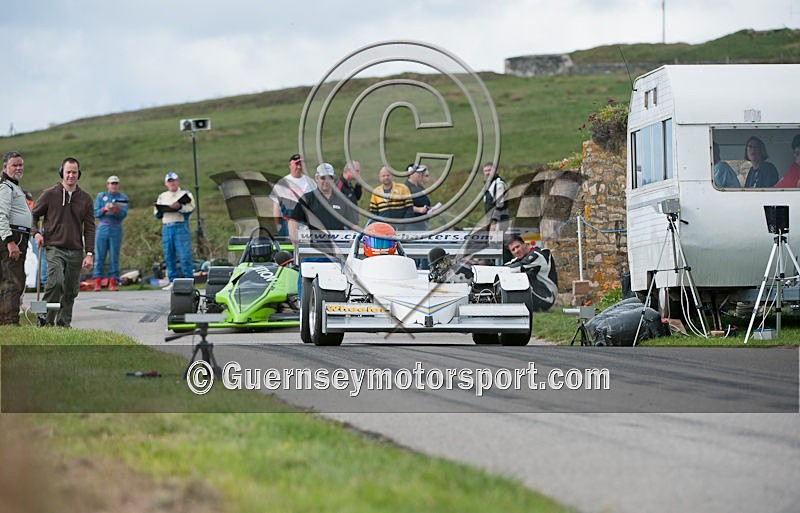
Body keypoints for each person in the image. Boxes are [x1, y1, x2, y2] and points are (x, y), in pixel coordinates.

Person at [32, 157, 95, 327]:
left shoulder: (86, 199)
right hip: (54, 248)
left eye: (74, 172)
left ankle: (63, 323)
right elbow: (33, 215)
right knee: (55, 283)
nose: (71, 175)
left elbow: (90, 228)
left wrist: (89, 254)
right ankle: (44, 320)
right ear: (62, 173)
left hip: (75, 250)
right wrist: (36, 233)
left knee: (71, 290)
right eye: (68, 172)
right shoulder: (49, 194)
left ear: (78, 174)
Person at [0, 151, 33, 325]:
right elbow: (1, 215)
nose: (19, 168)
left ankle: (5, 319)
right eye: (15, 165)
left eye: (21, 164)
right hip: (13, 238)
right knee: (13, 280)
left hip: (18, 236)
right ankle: (10, 321)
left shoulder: (14, 186)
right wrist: (10, 242)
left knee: (13, 278)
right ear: (5, 167)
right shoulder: (5, 186)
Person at [154, 171, 195, 289]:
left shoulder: (185, 193)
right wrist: (162, 209)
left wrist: (179, 207)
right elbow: (157, 213)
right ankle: (172, 281)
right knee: (169, 255)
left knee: (184, 255)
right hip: (167, 226)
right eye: (169, 181)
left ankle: (189, 281)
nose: (172, 183)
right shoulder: (162, 196)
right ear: (166, 183)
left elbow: (190, 208)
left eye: (174, 181)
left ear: (178, 181)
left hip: (180, 226)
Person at [290, 163, 352, 236]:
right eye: (323, 178)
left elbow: (352, 224)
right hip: (315, 245)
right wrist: (295, 242)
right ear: (316, 178)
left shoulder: (343, 199)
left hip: (340, 244)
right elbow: (293, 221)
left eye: (329, 178)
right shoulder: (307, 198)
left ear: (333, 179)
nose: (326, 181)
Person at [92, 175, 128, 291]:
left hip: (116, 227)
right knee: (99, 255)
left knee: (114, 256)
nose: (114, 186)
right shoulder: (101, 196)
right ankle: (97, 281)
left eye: (116, 183)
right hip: (103, 227)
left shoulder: (122, 197)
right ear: (107, 184)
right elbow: (96, 213)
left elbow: (123, 214)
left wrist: (115, 210)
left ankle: (112, 281)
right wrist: (105, 209)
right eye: (112, 183)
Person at [505, 234, 558, 312]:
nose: (516, 251)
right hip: (537, 295)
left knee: (517, 278)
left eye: (518, 246)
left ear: (524, 245)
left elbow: (520, 266)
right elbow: (504, 268)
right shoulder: (520, 259)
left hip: (547, 298)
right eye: (513, 250)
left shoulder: (538, 254)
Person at [269, 154, 316, 240]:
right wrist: (277, 226)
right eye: (296, 164)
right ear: (290, 165)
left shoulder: (310, 183)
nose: (299, 167)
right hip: (286, 223)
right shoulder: (282, 183)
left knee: (304, 251)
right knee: (287, 251)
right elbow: (276, 208)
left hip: (305, 224)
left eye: (301, 164)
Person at [404, 164, 432, 231]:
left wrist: (430, 209)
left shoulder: (419, 187)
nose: (420, 174)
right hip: (412, 224)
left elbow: (424, 202)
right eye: (418, 172)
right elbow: (403, 205)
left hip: (422, 222)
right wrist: (418, 209)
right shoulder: (405, 187)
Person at [483, 162, 509, 229]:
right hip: (492, 221)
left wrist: (494, 220)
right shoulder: (489, 184)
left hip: (498, 221)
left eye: (490, 170)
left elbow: (500, 203)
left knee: (496, 239)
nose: (487, 173)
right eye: (485, 171)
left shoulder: (499, 183)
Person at [336, 160, 362, 225]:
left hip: (353, 223)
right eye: (357, 171)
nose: (359, 174)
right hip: (344, 224)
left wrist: (358, 185)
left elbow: (357, 198)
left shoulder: (349, 184)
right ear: (349, 170)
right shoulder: (340, 185)